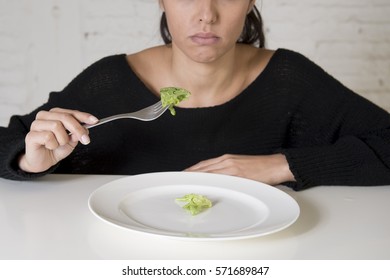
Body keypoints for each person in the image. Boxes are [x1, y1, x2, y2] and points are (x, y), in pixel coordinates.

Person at [0, 0, 389, 191]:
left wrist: (281, 165)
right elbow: (9, 142)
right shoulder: (110, 81)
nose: (207, 14)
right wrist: (30, 159)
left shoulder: (290, 80)